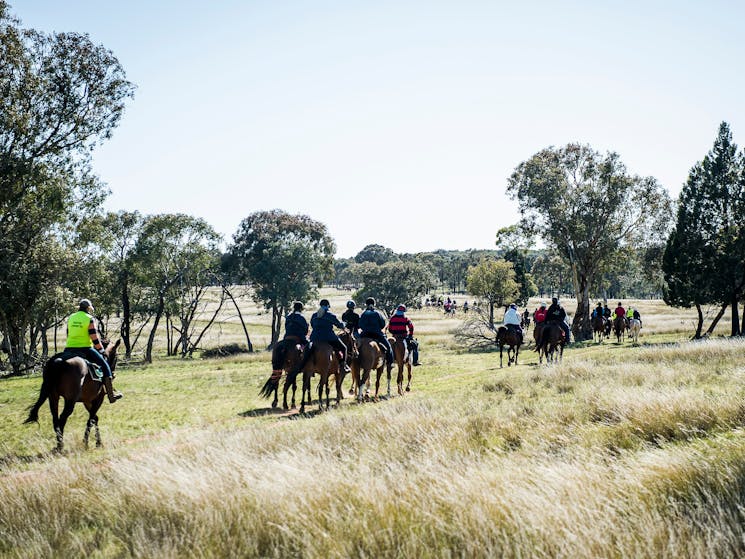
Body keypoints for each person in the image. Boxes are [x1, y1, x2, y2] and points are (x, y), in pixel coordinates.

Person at [64, 299, 122, 403]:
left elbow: (68, 333)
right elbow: (94, 337)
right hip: (85, 348)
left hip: (69, 348)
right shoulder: (89, 318)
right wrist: (101, 350)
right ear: (88, 308)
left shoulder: (71, 317)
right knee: (105, 367)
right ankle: (111, 395)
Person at [293, 299, 351, 375]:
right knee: (344, 348)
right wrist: (344, 326)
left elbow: (312, 325)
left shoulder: (314, 315)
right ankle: (343, 365)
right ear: (327, 306)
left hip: (315, 338)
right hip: (329, 338)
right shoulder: (330, 315)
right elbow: (339, 325)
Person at [358, 297, 393, 367]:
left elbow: (360, 325)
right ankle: (390, 362)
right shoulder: (377, 313)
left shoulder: (363, 313)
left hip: (365, 335)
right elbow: (382, 324)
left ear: (366, 304)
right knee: (388, 347)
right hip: (376, 334)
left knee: (355, 347)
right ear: (374, 304)